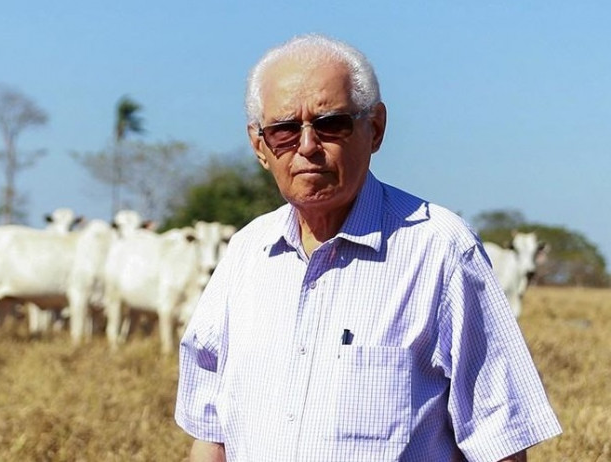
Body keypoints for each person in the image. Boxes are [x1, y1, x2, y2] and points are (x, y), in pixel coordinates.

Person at [175, 33, 561, 462]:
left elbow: (500, 445)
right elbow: (212, 438)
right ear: (260, 146)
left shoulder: (441, 251)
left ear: (374, 128)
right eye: (284, 130)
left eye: (331, 124)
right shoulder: (245, 254)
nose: (307, 147)